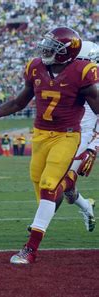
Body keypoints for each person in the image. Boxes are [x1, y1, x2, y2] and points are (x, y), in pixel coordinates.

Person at [0, 27, 99, 264]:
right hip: (40, 136)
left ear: (67, 54)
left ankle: (30, 249)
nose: (45, 50)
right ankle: (84, 205)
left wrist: (93, 147)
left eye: (53, 48)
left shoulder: (83, 73)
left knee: (50, 185)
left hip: (67, 137)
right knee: (47, 192)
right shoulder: (36, 66)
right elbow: (18, 102)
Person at [61, 41, 98, 232]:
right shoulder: (73, 76)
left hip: (86, 140)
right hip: (69, 136)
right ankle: (87, 206)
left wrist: (94, 145)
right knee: (68, 191)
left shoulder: (93, 79)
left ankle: (38, 226)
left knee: (61, 182)